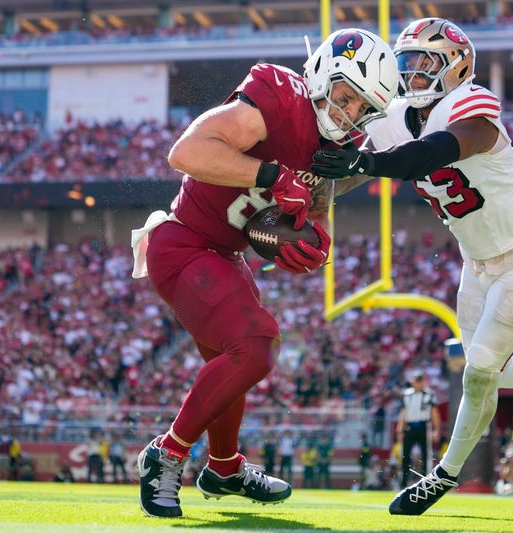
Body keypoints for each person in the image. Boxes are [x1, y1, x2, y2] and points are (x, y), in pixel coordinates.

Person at [311, 18, 513, 515]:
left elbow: (436, 150)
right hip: (477, 259)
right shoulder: (394, 114)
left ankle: (443, 476)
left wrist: (368, 165)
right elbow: (361, 163)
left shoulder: (472, 106)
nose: (412, 75)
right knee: (484, 368)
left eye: (424, 64)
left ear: (456, 66)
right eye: (406, 64)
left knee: (480, 367)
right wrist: (316, 190)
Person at [131, 28, 398, 518]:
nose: (349, 114)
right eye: (344, 97)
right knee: (257, 344)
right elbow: (185, 153)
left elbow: (313, 204)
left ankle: (224, 468)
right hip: (184, 241)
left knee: (233, 362)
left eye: (363, 108)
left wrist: (313, 234)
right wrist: (271, 176)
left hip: (225, 257)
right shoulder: (276, 96)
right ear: (321, 75)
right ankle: (164, 454)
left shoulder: (341, 144)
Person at [395, 370, 440, 486]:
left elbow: (434, 412)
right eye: (415, 382)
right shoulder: (406, 394)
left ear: (423, 382)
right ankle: (403, 482)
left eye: (419, 381)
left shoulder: (429, 394)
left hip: (423, 426)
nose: (417, 384)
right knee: (406, 455)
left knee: (425, 455)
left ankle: (425, 482)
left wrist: (436, 429)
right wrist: (400, 430)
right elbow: (403, 413)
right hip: (409, 426)